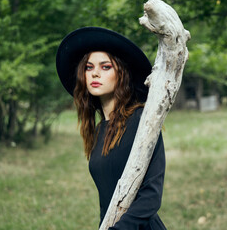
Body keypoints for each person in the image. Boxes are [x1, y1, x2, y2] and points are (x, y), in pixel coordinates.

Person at [56, 27, 166, 229]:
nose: (95, 73)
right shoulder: (98, 131)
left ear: (121, 74)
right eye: (89, 67)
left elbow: (151, 195)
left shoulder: (141, 121)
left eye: (105, 67)